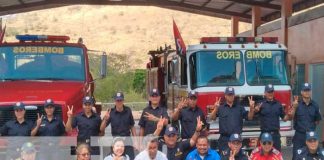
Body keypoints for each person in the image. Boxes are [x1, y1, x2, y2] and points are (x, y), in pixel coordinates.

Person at [209, 87, 254, 152]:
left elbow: (250, 117)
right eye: (229, 95)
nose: (230, 96)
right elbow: (212, 118)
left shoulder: (240, 108)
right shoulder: (221, 108)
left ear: (234, 95)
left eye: (232, 95)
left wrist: (251, 108)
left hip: (236, 139)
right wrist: (215, 108)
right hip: (224, 139)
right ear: (225, 96)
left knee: (237, 157)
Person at [249, 84, 292, 151]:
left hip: (275, 135)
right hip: (264, 134)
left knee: (276, 156)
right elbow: (250, 117)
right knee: (263, 156)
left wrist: (289, 114)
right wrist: (254, 110)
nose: (270, 94)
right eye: (268, 92)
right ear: (265, 93)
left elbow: (284, 118)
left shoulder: (278, 104)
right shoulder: (260, 104)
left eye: (271, 92)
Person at [290, 83, 322, 159]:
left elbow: (317, 121)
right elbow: (291, 118)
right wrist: (294, 108)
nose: (307, 92)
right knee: (296, 156)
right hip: (299, 136)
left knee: (312, 156)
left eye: (308, 90)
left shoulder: (315, 105)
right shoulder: (296, 104)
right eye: (305, 90)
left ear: (311, 92)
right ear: (301, 92)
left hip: (311, 136)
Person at [100, 92, 136, 159]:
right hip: (116, 142)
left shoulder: (128, 110)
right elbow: (101, 128)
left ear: (123, 100)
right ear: (115, 101)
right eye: (117, 100)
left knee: (130, 158)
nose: (119, 102)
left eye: (120, 100)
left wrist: (136, 141)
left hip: (127, 140)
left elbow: (132, 126)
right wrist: (105, 119)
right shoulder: (111, 112)